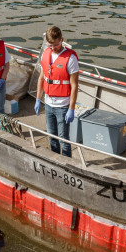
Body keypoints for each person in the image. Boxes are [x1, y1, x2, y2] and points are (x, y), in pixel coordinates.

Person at [35, 26, 79, 158]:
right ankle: (55, 160)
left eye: (56, 45)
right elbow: (42, 78)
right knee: (51, 136)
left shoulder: (71, 58)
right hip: (48, 104)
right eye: (50, 45)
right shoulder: (45, 53)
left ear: (61, 40)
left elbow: (74, 85)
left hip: (62, 106)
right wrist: (38, 99)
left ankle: (67, 163)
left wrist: (71, 108)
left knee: (63, 139)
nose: (53, 48)